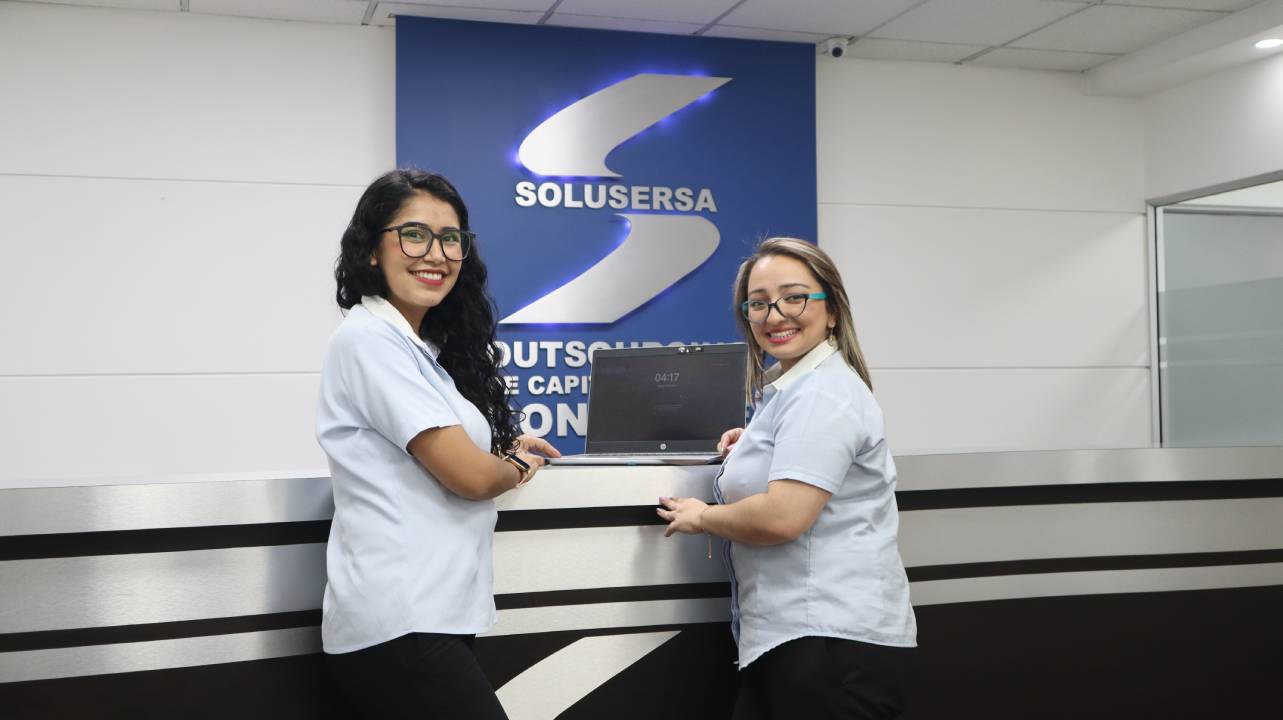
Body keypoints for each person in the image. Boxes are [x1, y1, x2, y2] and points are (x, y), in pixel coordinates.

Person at [316, 169, 558, 719]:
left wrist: (503, 446)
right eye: (414, 234)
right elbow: (470, 477)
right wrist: (516, 464)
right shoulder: (369, 340)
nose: (436, 254)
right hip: (400, 622)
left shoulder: (418, 347)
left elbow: (447, 451)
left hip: (429, 617)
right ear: (371, 250)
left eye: (451, 239)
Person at [658, 237, 916, 720]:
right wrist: (753, 445)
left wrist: (704, 517)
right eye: (759, 303)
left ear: (832, 310)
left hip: (832, 642)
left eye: (794, 298)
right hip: (797, 640)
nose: (775, 315)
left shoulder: (823, 394)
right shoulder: (794, 392)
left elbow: (783, 517)